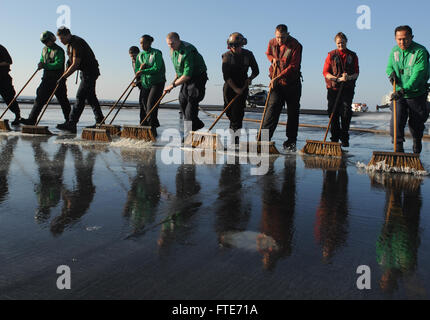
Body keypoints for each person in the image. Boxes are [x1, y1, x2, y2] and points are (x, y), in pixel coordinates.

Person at [387, 25, 429, 154]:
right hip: (399, 93)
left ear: (411, 37)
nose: (402, 42)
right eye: (399, 39)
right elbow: (389, 66)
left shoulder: (420, 51)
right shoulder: (394, 51)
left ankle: (417, 142)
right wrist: (391, 74)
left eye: (405, 39)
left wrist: (404, 90)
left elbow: (418, 75)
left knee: (416, 124)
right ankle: (398, 149)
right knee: (396, 121)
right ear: (395, 38)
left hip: (416, 93)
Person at [55, 27, 104, 133]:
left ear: (68, 35)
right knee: (91, 97)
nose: (61, 41)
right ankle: (100, 121)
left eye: (62, 38)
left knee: (80, 97)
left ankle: (72, 123)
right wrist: (63, 76)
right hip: (85, 72)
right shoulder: (69, 45)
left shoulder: (76, 43)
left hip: (90, 72)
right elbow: (69, 63)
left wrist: (64, 77)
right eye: (60, 39)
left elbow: (75, 64)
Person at [262, 24, 303, 152]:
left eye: (283, 37)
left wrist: (278, 77)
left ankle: (291, 141)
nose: (280, 40)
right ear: (275, 35)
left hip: (292, 83)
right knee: (272, 108)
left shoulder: (296, 45)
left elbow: (293, 66)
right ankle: (263, 140)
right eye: (278, 37)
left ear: (288, 34)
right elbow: (268, 53)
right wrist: (272, 59)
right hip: (277, 83)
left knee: (293, 113)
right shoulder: (271, 42)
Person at [21, 31, 71, 126]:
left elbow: (58, 64)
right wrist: (40, 64)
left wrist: (45, 65)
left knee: (63, 100)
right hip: (46, 79)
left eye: (47, 41)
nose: (46, 43)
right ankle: (31, 120)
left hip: (58, 79)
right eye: (44, 42)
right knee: (39, 98)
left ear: (52, 39)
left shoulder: (59, 50)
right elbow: (42, 59)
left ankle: (69, 121)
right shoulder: (44, 49)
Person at [164, 32, 208, 133]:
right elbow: (179, 67)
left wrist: (172, 85)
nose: (170, 46)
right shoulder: (172, 51)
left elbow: (187, 75)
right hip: (184, 77)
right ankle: (197, 124)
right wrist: (176, 77)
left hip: (197, 77)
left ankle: (189, 133)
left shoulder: (188, 50)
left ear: (178, 40)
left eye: (172, 43)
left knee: (191, 104)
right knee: (182, 100)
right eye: (168, 44)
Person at [323, 32, 359, 148]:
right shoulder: (331, 55)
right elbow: (325, 72)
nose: (340, 45)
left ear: (346, 42)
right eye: (338, 43)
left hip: (347, 89)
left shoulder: (353, 56)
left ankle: (344, 137)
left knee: (345, 112)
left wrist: (348, 77)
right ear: (335, 43)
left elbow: (356, 73)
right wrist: (337, 79)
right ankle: (334, 138)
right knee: (333, 113)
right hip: (333, 88)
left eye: (342, 43)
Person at [222, 32, 259, 144]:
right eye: (232, 46)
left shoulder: (248, 55)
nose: (235, 48)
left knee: (238, 113)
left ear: (242, 45)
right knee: (228, 111)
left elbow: (256, 71)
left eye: (237, 46)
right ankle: (233, 128)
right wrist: (235, 89)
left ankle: (235, 139)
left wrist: (250, 78)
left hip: (243, 85)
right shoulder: (226, 56)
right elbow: (226, 76)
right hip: (229, 86)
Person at [135, 35, 166, 137]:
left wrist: (143, 70)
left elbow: (157, 68)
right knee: (143, 105)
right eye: (140, 43)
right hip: (145, 83)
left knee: (151, 105)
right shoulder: (140, 55)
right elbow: (137, 70)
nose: (142, 45)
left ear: (149, 43)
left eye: (144, 43)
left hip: (157, 82)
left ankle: (152, 129)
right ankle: (143, 127)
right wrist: (139, 69)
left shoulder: (156, 53)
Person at [0, 44, 21, 125]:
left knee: (9, 98)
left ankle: (17, 116)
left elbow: (9, 61)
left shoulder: (1, 48)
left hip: (3, 77)